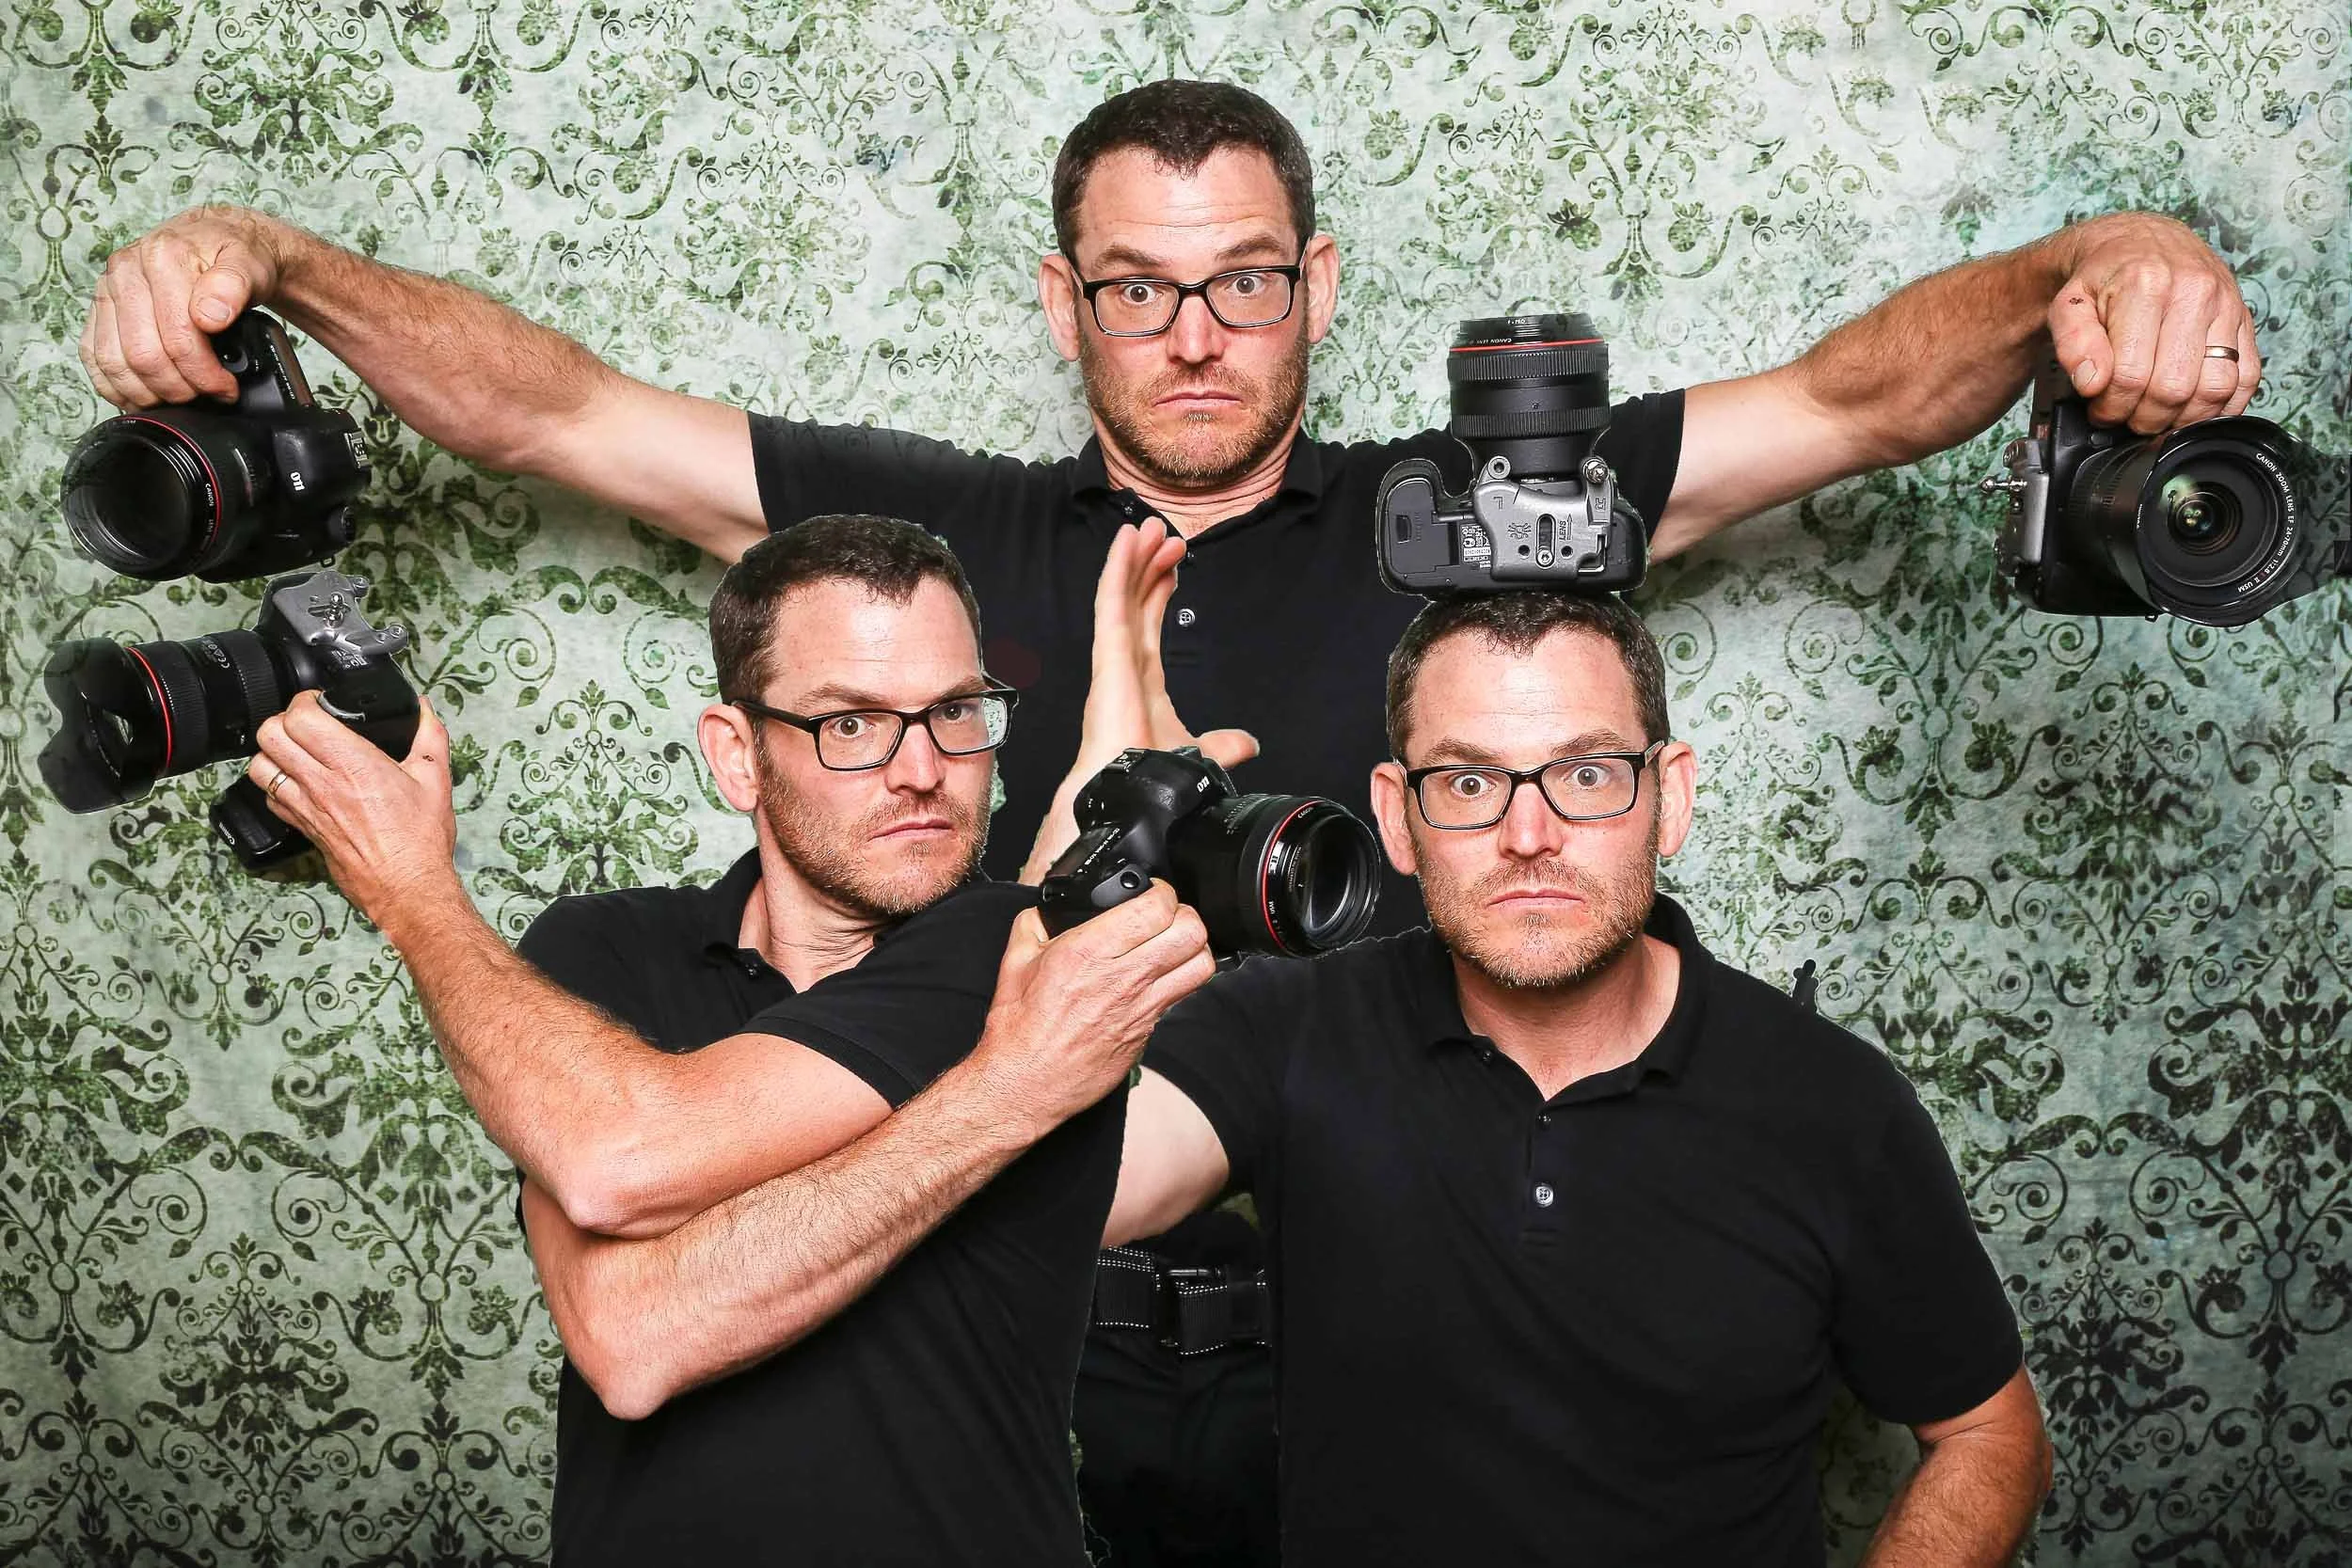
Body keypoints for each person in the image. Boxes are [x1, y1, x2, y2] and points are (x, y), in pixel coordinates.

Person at [86, 77, 2247, 1562]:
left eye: (1238, 280)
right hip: (1018, 1330)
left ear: (1313, 279)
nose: (1192, 332)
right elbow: (553, 410)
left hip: (1385, 1343)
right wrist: (272, 254)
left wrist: (2101, 257)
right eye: (1135, 284)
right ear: (1066, 304)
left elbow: (1860, 402)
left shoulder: (1485, 521)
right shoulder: (923, 535)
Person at [241, 512, 1218, 1566]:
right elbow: (625, 1331)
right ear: (737, 754)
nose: (922, 770)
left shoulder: (1008, 952)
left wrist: (414, 891)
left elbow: (620, 1182)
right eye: (849, 724)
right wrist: (1004, 1088)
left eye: (955, 712)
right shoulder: (598, 951)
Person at [1103, 586, 2055, 1565]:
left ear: (1670, 796)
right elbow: (1056, 1202)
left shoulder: (1833, 1103)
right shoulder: (1285, 1023)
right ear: (1397, 816)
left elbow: (1992, 1432)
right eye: (1468, 783)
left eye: (1587, 772)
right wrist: (1074, 884)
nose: (1527, 835)